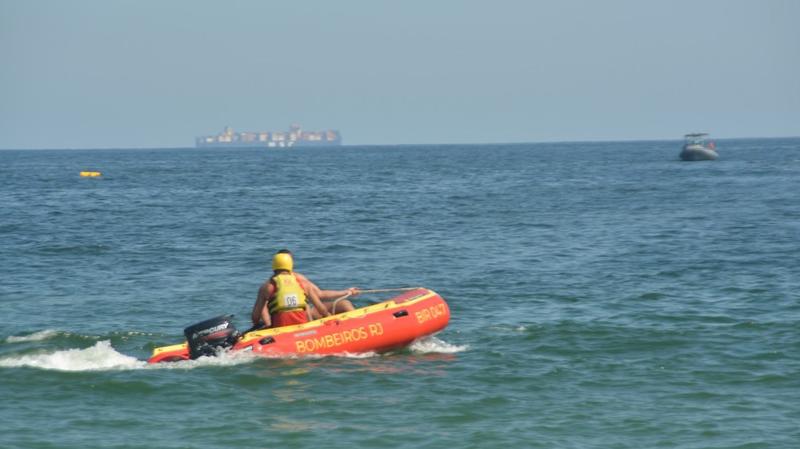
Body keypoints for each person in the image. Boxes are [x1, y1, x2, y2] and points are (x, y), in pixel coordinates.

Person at [251, 250, 359, 329]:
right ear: (290, 264)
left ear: (274, 265)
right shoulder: (302, 282)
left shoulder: (267, 286)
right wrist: (330, 319)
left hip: (281, 329)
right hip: (303, 325)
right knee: (308, 307)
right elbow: (322, 309)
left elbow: (255, 317)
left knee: (345, 304)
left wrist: (265, 327)